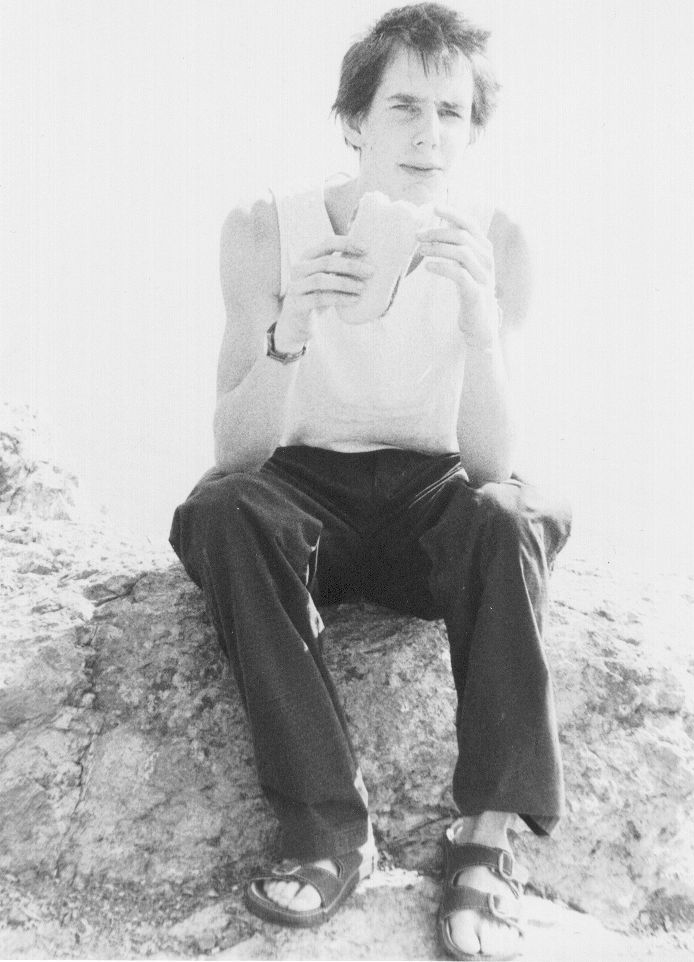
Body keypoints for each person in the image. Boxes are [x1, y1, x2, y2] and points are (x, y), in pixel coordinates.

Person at [169, 4, 571, 959]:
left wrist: (479, 329)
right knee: (219, 510)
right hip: (300, 494)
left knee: (512, 512)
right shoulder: (266, 228)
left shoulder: (498, 240)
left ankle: (486, 840)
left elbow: (489, 465)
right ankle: (327, 832)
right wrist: (292, 331)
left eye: (451, 112)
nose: (430, 135)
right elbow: (235, 451)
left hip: (432, 496)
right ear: (355, 121)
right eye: (404, 108)